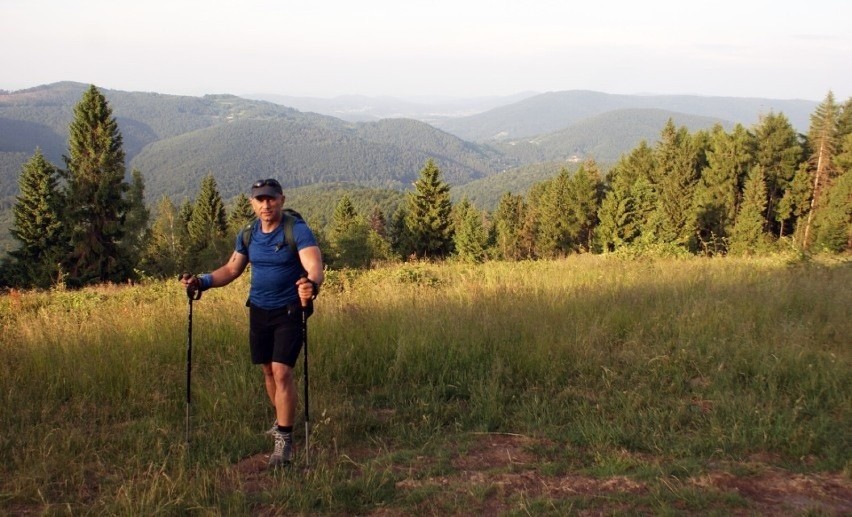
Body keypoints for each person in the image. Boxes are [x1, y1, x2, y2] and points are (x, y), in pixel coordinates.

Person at [180, 178, 324, 468]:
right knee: (268, 372)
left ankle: (284, 441)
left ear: (282, 199)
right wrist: (202, 282)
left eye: (271, 198)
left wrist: (311, 285)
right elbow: (232, 268)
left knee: (282, 372)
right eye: (260, 199)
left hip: (290, 310)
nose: (266, 204)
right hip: (259, 310)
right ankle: (280, 420)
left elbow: (314, 266)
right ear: (252, 203)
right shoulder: (248, 233)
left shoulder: (296, 230)